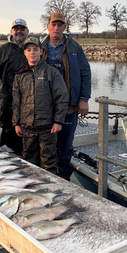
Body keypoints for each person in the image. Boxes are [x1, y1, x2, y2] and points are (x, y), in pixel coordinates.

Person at [40, 13, 92, 181]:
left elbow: (85, 73)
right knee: (45, 146)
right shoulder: (39, 48)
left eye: (60, 25)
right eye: (53, 25)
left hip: (69, 107)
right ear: (47, 26)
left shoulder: (75, 48)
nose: (56, 28)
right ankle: (47, 180)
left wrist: (83, 99)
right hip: (45, 107)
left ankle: (64, 181)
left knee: (65, 146)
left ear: (65, 27)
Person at [12, 37, 69, 173]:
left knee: (48, 163)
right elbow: (16, 101)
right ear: (25, 53)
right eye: (29, 50)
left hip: (48, 128)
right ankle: (32, 191)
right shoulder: (20, 75)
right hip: (27, 127)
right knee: (28, 163)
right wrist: (16, 123)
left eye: (35, 50)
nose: (32, 53)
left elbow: (61, 97)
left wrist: (58, 121)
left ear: (41, 52)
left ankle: (51, 191)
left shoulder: (51, 72)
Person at [0, 18, 31, 155]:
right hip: (8, 104)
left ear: (27, 31)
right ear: (11, 31)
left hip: (29, 105)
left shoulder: (34, 50)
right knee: (7, 144)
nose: (19, 31)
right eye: (16, 29)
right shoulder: (1, 51)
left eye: (22, 29)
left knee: (28, 140)